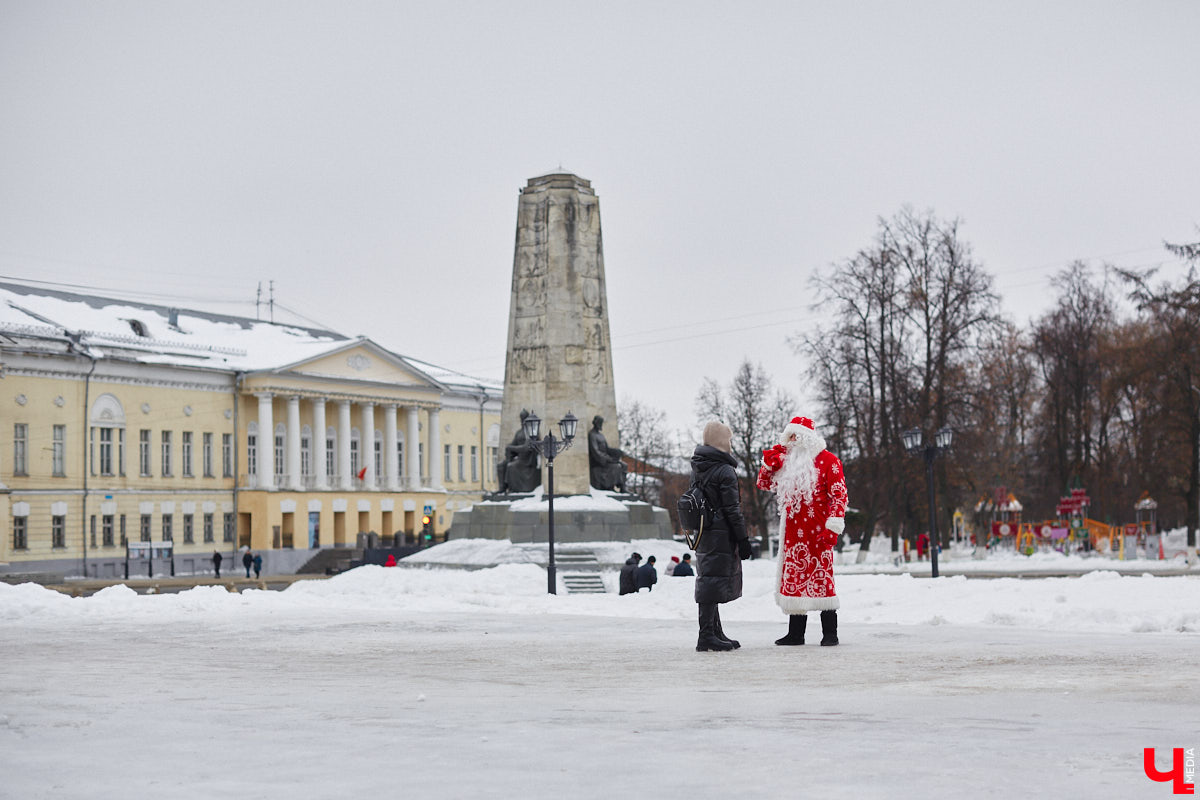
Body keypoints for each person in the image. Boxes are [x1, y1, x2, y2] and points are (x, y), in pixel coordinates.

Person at [757, 416, 848, 647]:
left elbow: (839, 495)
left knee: (822, 579)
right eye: (789, 436)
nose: (792, 441)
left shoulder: (829, 461)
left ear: (808, 438)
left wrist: (833, 527)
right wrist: (769, 465)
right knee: (795, 580)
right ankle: (796, 634)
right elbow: (764, 484)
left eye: (796, 436)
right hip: (792, 533)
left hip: (818, 532)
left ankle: (830, 633)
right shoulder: (787, 462)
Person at [691, 421, 752, 651]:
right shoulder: (724, 470)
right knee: (711, 582)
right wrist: (743, 539)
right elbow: (732, 509)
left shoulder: (698, 467)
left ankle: (714, 631)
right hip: (720, 534)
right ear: (721, 441)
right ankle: (706, 635)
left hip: (704, 531)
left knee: (709, 579)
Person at [587, 415, 627, 492]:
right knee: (617, 467)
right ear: (596, 423)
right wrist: (607, 459)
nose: (601, 425)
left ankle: (623, 488)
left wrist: (618, 452)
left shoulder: (601, 435)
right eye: (600, 423)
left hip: (606, 458)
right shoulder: (592, 435)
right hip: (599, 461)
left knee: (624, 465)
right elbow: (595, 451)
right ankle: (611, 486)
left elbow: (607, 449)